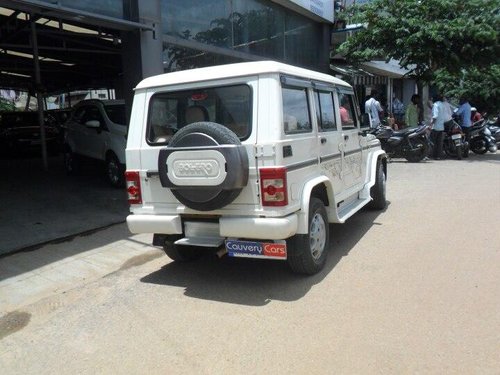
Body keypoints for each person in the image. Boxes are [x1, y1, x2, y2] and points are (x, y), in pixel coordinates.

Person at [430, 94, 446, 160]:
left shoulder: (436, 105)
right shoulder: (442, 105)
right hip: (441, 126)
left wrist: (431, 124)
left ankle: (432, 155)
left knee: (432, 141)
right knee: (439, 142)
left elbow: (435, 116)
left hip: (435, 127)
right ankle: (438, 156)